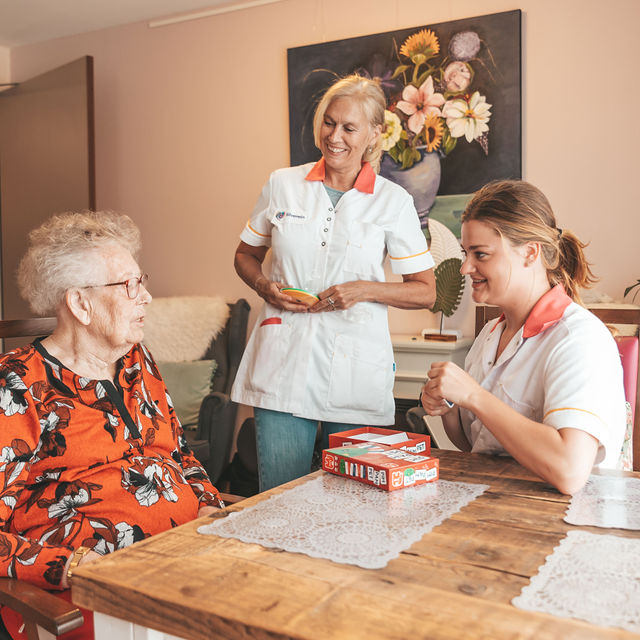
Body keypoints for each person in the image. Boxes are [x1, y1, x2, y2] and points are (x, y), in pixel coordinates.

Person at [0, 211, 223, 639]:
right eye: (129, 286)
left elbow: (178, 454)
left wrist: (209, 505)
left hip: (186, 563)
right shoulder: (18, 386)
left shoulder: (137, 362)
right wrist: (69, 567)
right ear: (80, 304)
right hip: (92, 597)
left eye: (142, 280)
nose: (147, 297)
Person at [232, 74, 436, 491]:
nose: (334, 136)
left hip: (354, 370)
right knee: (279, 498)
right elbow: (245, 255)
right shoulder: (282, 184)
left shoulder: (392, 201)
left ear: (374, 134)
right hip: (282, 363)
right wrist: (263, 285)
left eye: (349, 127)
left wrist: (363, 289)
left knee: (356, 501)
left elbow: (424, 290)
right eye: (329, 123)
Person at [421, 180, 626, 495]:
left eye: (481, 254)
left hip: (569, 522)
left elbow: (569, 471)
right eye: (466, 253)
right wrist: (448, 408)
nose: (465, 268)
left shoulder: (580, 340)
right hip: (501, 504)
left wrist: (474, 396)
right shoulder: (490, 335)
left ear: (530, 253)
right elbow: (476, 443)